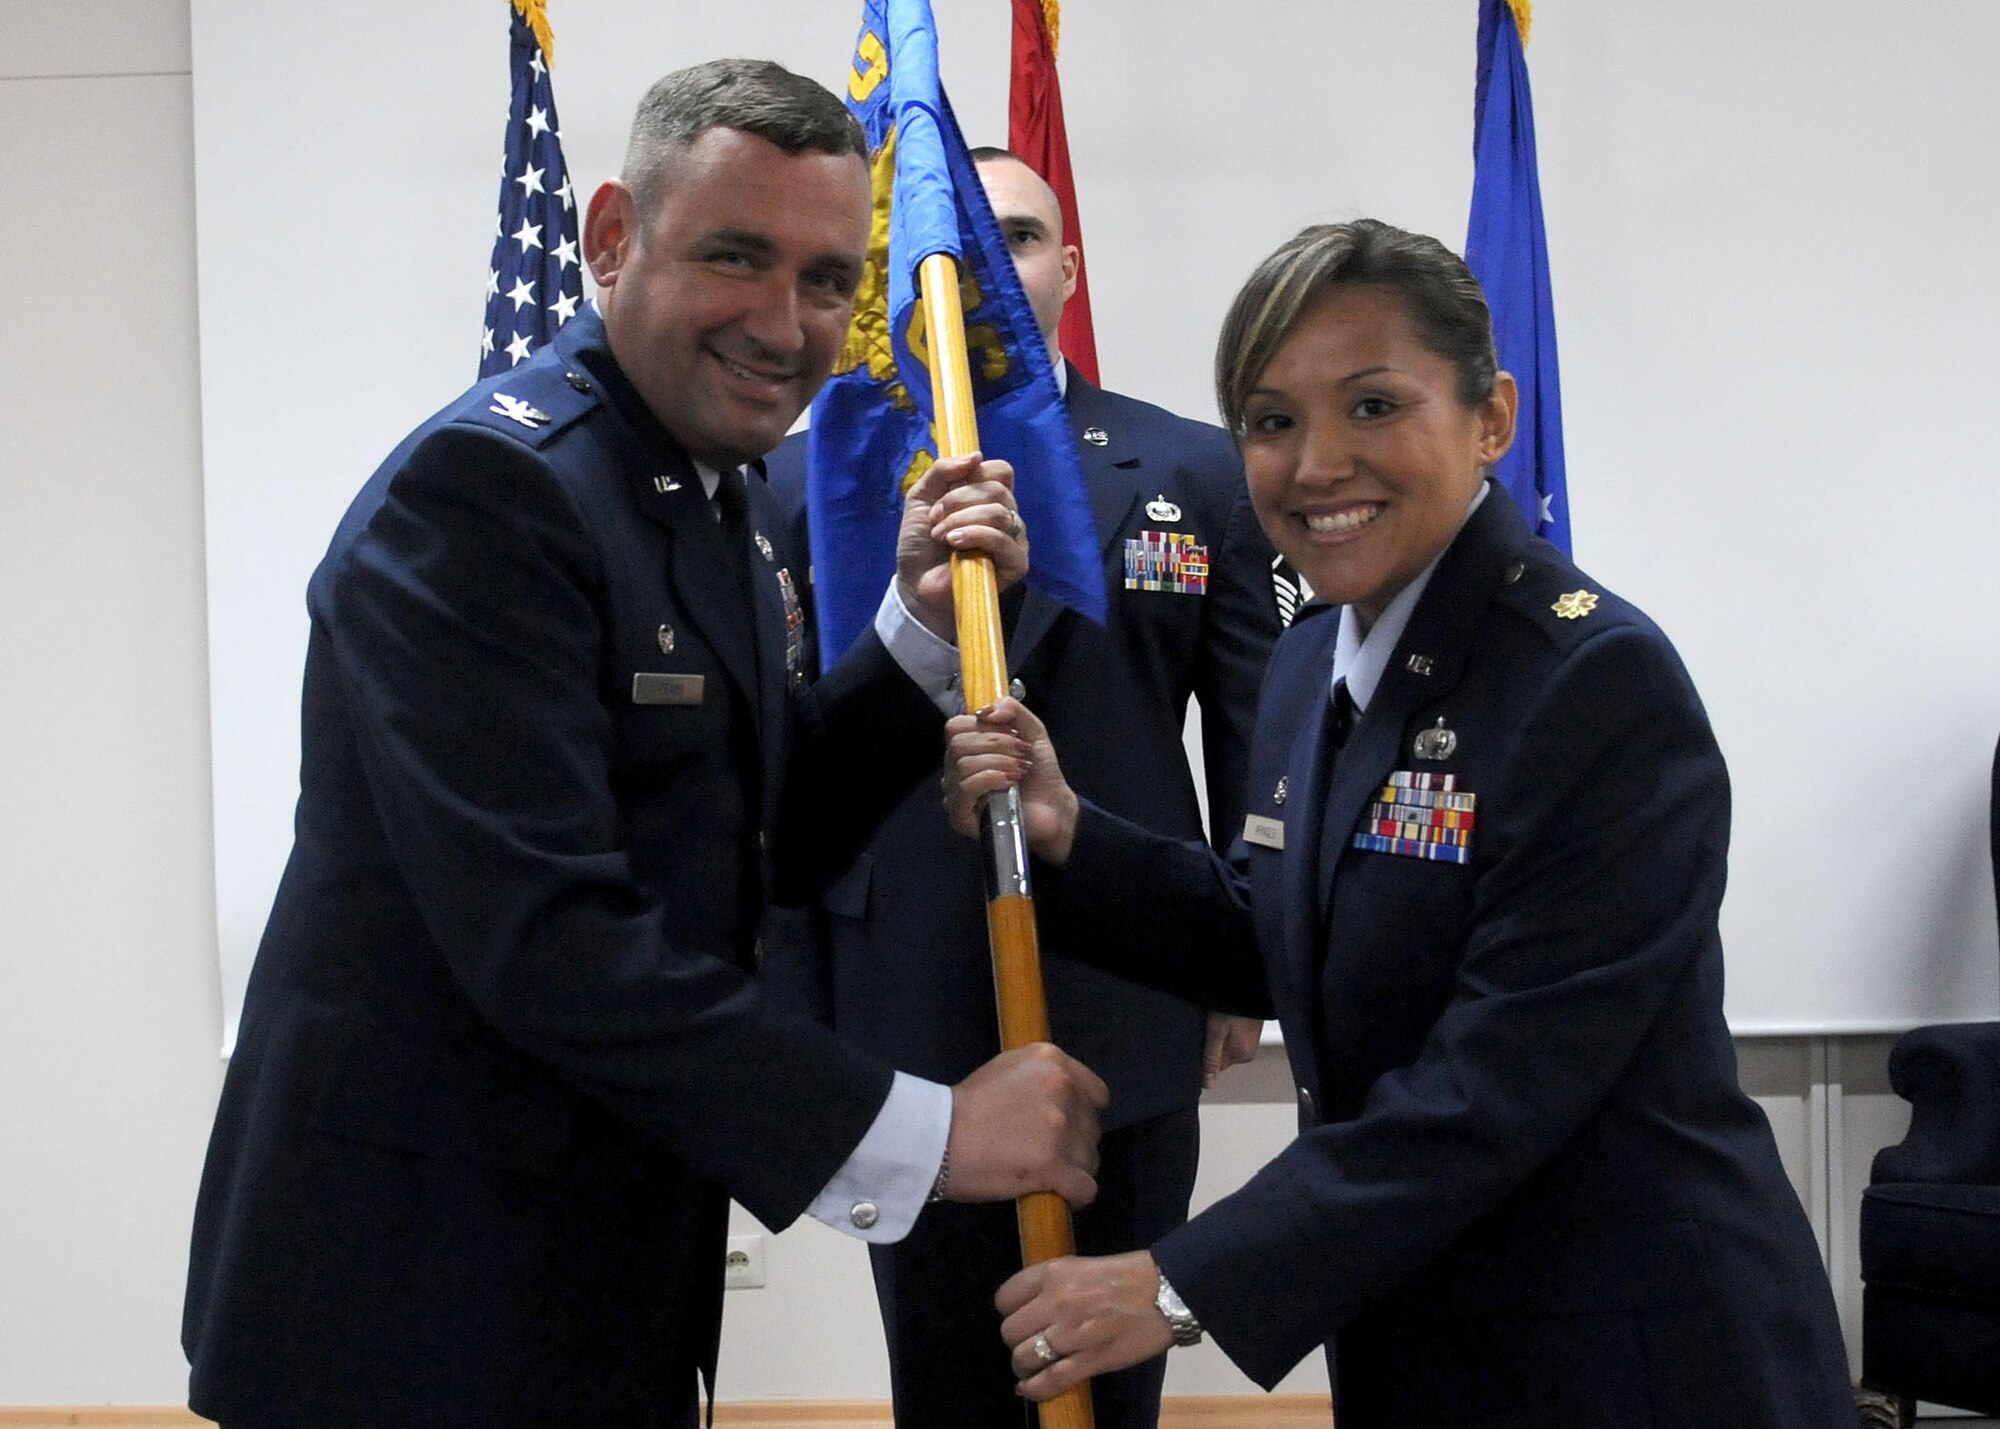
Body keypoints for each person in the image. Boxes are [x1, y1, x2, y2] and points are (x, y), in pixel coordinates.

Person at [181, 60, 1111, 1429]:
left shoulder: (694, 485)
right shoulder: (493, 491)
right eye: (736, 257)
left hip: (584, 1267)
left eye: (821, 279)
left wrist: (914, 636)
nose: (784, 323)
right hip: (410, 1298)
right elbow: (552, 937)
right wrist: (930, 1135)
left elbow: (755, 824)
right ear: (612, 236)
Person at [944, 219, 1857, 1427]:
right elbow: (1280, 933)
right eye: (1270, 421)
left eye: (1372, 406)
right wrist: (1068, 831)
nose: (1316, 462)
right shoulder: (1314, 651)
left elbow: (1492, 1086)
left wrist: (1176, 1284)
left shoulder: (1589, 679)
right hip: (1422, 1336)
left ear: (1490, 418)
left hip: (1631, 1356)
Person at [761, 147, 1278, 1429]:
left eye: (1020, 239)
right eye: (957, 241)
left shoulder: (1191, 471)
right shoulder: (801, 476)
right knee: (944, 1377)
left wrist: (1234, 958)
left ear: (1066, 268)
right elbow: (780, 777)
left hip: (1130, 991)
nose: (984, 270)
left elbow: (1258, 735)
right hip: (903, 1000)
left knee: (1110, 1373)